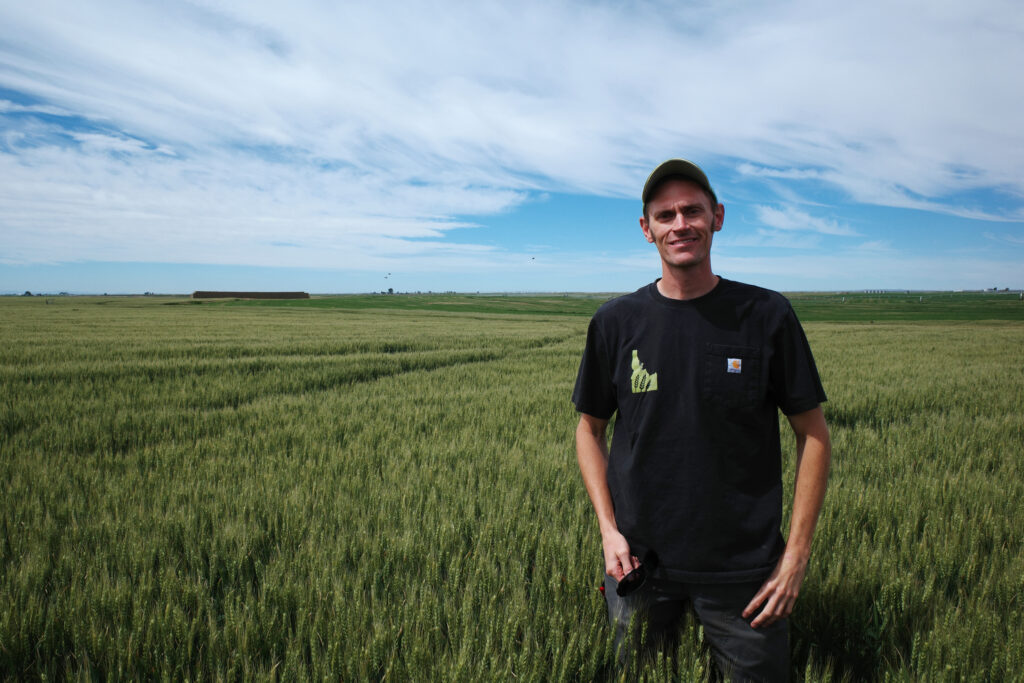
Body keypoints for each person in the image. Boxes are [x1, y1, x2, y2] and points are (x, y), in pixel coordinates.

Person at [572, 159, 831, 681]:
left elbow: (814, 434)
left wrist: (796, 556)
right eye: (665, 214)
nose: (680, 223)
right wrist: (607, 530)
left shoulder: (766, 315)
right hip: (639, 566)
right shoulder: (615, 322)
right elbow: (589, 430)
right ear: (647, 230)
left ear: (718, 217)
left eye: (693, 210)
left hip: (746, 572)